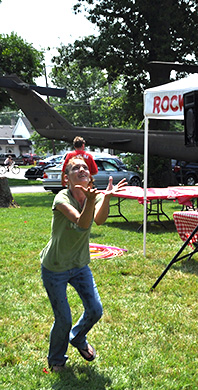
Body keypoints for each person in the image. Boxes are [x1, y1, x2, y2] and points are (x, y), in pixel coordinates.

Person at [40, 155, 127, 373]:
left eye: (84, 167)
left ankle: (77, 338)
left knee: (95, 310)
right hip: (55, 267)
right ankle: (56, 359)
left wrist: (105, 197)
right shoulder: (61, 198)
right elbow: (81, 223)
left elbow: (99, 220)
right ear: (66, 178)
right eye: (75, 168)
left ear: (89, 177)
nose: (81, 169)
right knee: (63, 318)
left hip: (79, 265)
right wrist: (90, 200)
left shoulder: (93, 196)